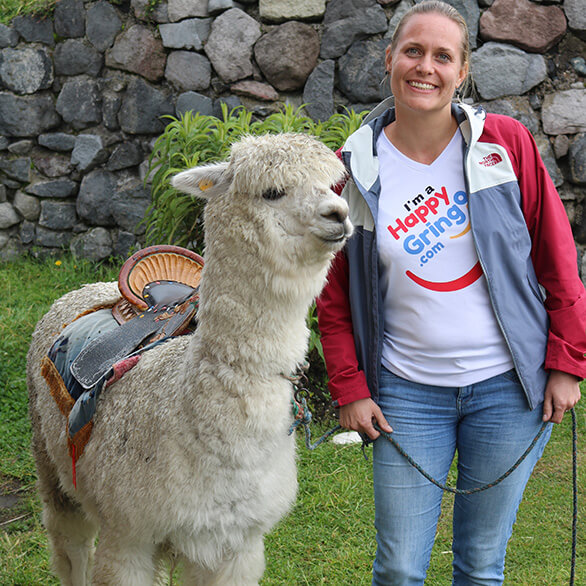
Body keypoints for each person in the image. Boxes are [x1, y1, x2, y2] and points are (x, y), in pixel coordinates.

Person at [316, 1, 585, 584]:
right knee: (398, 568)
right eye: (413, 51)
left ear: (462, 72)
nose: (426, 67)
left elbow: (558, 261)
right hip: (406, 395)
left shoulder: (505, 145)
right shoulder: (352, 168)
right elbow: (334, 298)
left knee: (482, 564)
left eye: (443, 56)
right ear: (390, 59)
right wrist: (350, 387)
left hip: (508, 391)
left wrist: (567, 362)